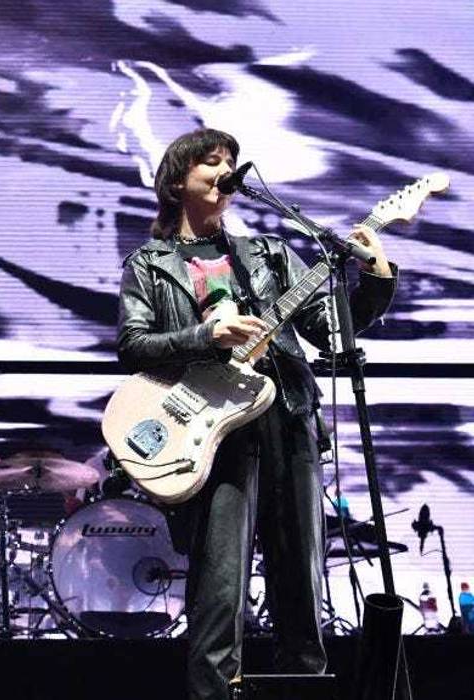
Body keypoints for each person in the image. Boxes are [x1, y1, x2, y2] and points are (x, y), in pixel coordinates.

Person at [115, 128, 397, 700]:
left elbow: (331, 332)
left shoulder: (266, 254)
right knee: (220, 596)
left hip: (287, 419)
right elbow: (134, 344)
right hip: (211, 439)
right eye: (210, 163)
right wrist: (207, 334)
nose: (225, 170)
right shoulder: (149, 264)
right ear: (178, 181)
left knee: (301, 587)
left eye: (231, 162)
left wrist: (375, 278)